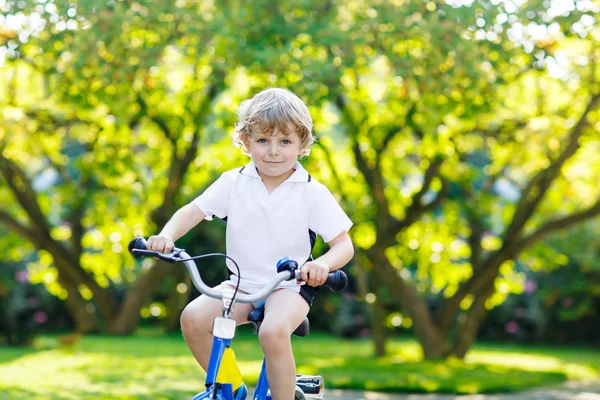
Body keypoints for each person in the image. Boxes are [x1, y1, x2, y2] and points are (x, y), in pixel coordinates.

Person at [146, 87, 354, 400]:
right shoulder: (234, 182)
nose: (273, 151)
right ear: (246, 142)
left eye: (285, 141)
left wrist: (321, 265)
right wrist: (166, 236)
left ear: (302, 145)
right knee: (193, 318)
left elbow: (343, 245)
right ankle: (232, 389)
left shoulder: (311, 192)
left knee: (272, 332)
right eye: (262, 140)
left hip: (289, 286)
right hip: (241, 285)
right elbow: (193, 211)